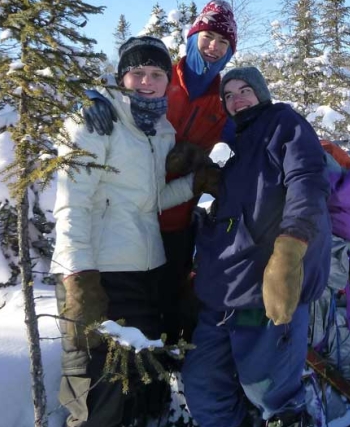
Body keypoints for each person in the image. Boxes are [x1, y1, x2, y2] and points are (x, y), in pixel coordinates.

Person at [51, 36, 219, 427]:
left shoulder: (159, 130)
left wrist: (196, 183)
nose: (146, 81)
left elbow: (151, 199)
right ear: (121, 76)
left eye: (156, 73)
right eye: (137, 72)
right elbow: (72, 202)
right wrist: (78, 278)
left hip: (147, 269)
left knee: (137, 379)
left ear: (167, 81)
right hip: (100, 272)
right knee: (96, 387)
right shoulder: (97, 120)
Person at [181, 66, 331, 427]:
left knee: (269, 391)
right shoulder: (238, 146)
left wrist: (290, 250)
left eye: (244, 90)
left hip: (264, 288)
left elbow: (307, 182)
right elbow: (237, 215)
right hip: (223, 291)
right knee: (202, 386)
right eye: (228, 95)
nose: (236, 99)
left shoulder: (284, 123)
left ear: (261, 92)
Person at [83, 0, 238, 344]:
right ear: (193, 36)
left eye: (223, 42)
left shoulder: (222, 101)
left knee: (169, 307)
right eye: (208, 36)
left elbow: (255, 128)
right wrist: (92, 97)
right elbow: (119, 90)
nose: (214, 47)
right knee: (131, 316)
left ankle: (169, 377)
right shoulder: (162, 76)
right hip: (126, 223)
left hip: (176, 220)